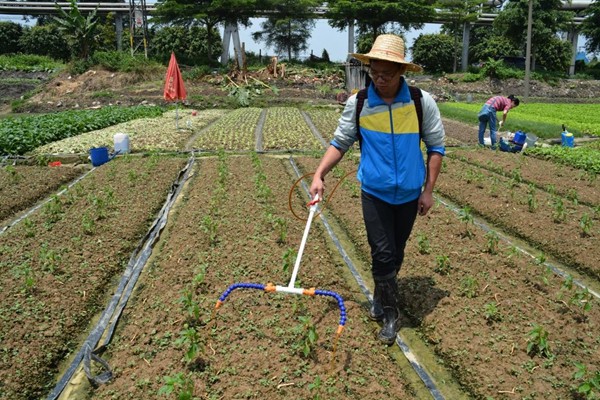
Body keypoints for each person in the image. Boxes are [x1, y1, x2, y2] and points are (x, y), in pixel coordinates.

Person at [309, 34, 445, 345]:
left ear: (401, 72)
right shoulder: (358, 103)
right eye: (375, 73)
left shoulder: (420, 102)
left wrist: (428, 190)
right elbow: (340, 142)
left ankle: (381, 295)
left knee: (395, 255)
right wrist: (319, 174)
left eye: (387, 74)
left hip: (410, 194)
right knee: (382, 253)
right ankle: (390, 313)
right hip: (375, 192)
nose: (379, 79)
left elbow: (436, 147)